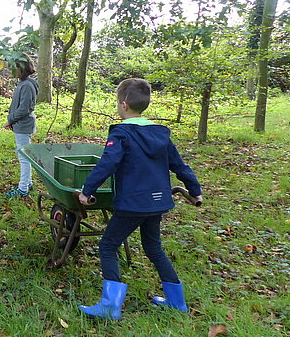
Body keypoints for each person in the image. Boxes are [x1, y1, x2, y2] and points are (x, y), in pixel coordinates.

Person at [76, 78, 203, 320]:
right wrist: (194, 189)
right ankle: (177, 302)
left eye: (117, 103)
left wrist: (87, 190)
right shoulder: (160, 134)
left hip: (132, 203)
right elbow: (179, 165)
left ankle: (110, 307)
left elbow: (107, 163)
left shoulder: (122, 133)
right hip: (157, 201)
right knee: (153, 247)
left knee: (108, 246)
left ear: (123, 104)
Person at [4, 53, 39, 198]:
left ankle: (23, 188)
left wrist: (10, 120)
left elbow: (24, 109)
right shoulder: (23, 84)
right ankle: (28, 183)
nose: (12, 71)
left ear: (21, 67)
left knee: (24, 157)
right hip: (20, 125)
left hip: (23, 126)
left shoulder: (27, 85)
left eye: (14, 68)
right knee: (23, 155)